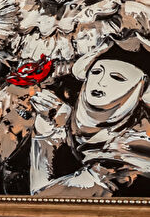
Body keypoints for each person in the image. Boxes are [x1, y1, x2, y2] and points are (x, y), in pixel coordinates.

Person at [30, 43, 150, 197]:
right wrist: (48, 125)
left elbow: (42, 199)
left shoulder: (132, 150)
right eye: (96, 72)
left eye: (117, 78)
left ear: (141, 88)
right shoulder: (73, 125)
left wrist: (47, 136)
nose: (100, 82)